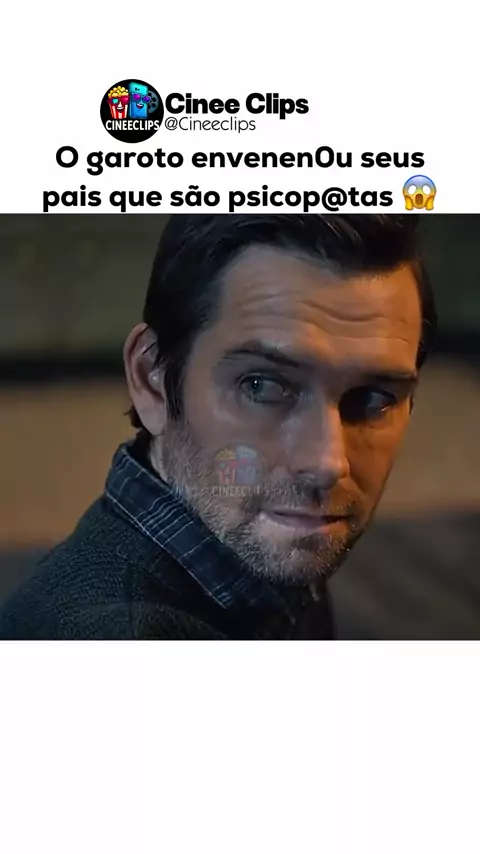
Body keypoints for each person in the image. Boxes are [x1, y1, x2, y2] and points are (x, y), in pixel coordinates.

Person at [0, 214, 437, 640]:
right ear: (152, 379)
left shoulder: (264, 554)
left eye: (374, 398)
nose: (327, 462)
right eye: (262, 386)